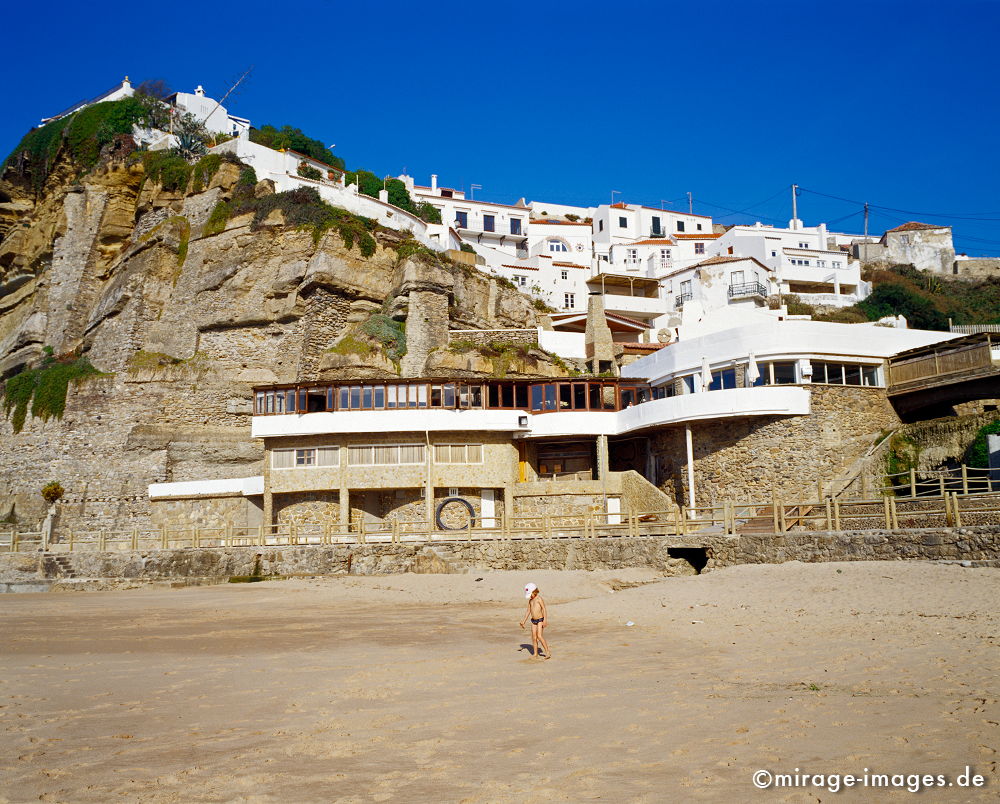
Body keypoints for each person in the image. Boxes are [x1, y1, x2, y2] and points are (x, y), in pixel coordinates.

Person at [519, 582, 552, 660]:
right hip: (533, 621)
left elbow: (544, 609)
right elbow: (528, 611)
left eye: (531, 594)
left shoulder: (539, 599)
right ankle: (535, 654)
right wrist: (523, 621)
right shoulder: (530, 601)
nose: (530, 596)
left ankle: (547, 652)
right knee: (534, 637)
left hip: (540, 620)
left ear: (534, 592)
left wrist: (545, 620)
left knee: (539, 636)